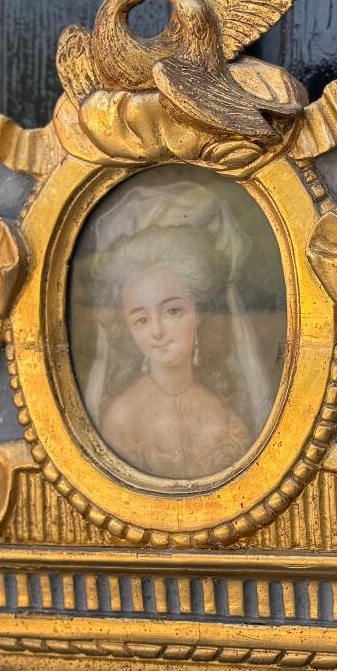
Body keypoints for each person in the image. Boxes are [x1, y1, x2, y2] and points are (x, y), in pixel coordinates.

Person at [78, 178, 275, 480]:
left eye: (172, 311)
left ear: (199, 313)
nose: (157, 331)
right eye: (141, 319)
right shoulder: (122, 417)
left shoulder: (224, 415)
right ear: (127, 329)